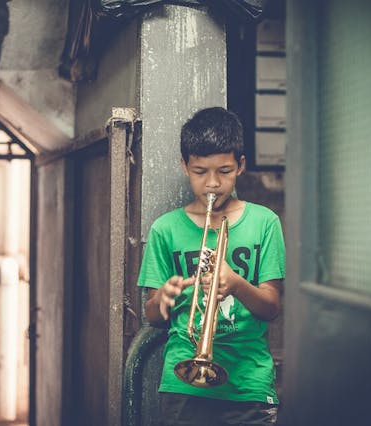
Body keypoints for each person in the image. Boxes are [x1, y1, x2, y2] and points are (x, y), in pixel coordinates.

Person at [138, 107, 285, 425]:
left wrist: (237, 284)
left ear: (241, 166)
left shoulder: (264, 222)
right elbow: (152, 316)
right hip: (184, 382)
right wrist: (162, 298)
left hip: (249, 385)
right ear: (184, 166)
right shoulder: (166, 229)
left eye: (225, 171)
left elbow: (271, 307)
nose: (213, 183)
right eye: (200, 171)